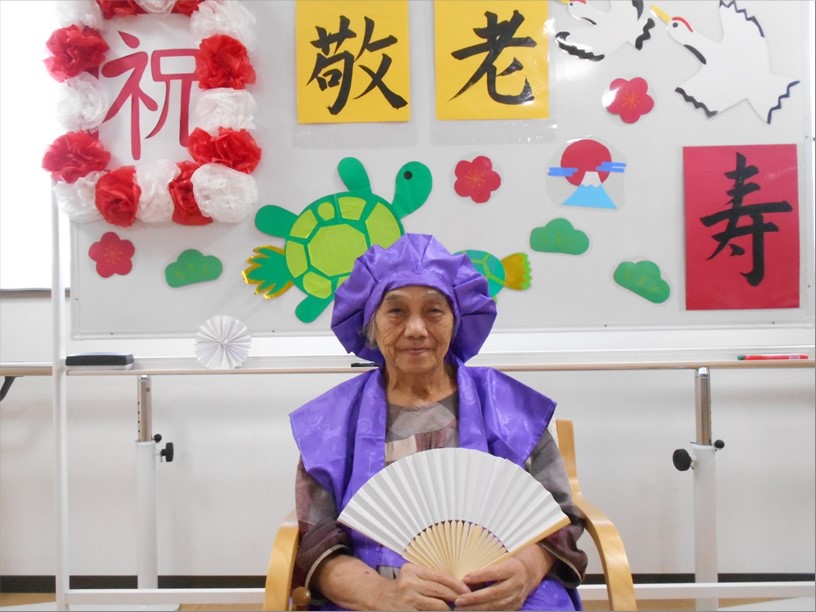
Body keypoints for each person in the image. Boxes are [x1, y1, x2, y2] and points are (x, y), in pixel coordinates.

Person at [290, 233, 587, 611]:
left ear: (456, 321)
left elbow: (559, 519)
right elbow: (317, 542)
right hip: (374, 592)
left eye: (434, 311)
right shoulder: (330, 424)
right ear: (370, 324)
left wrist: (526, 572)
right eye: (396, 311)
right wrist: (383, 595)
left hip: (500, 590)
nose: (416, 329)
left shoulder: (509, 408)